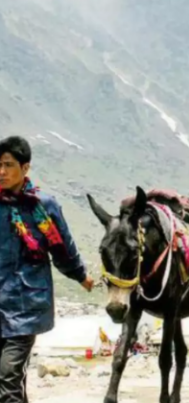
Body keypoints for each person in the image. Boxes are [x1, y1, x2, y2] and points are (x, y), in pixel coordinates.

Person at [0, 136, 94, 402]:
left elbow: (62, 248)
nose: (1, 172)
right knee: (12, 380)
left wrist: (81, 276)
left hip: (27, 304)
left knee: (7, 375)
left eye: (8, 165)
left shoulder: (43, 206)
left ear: (25, 168)